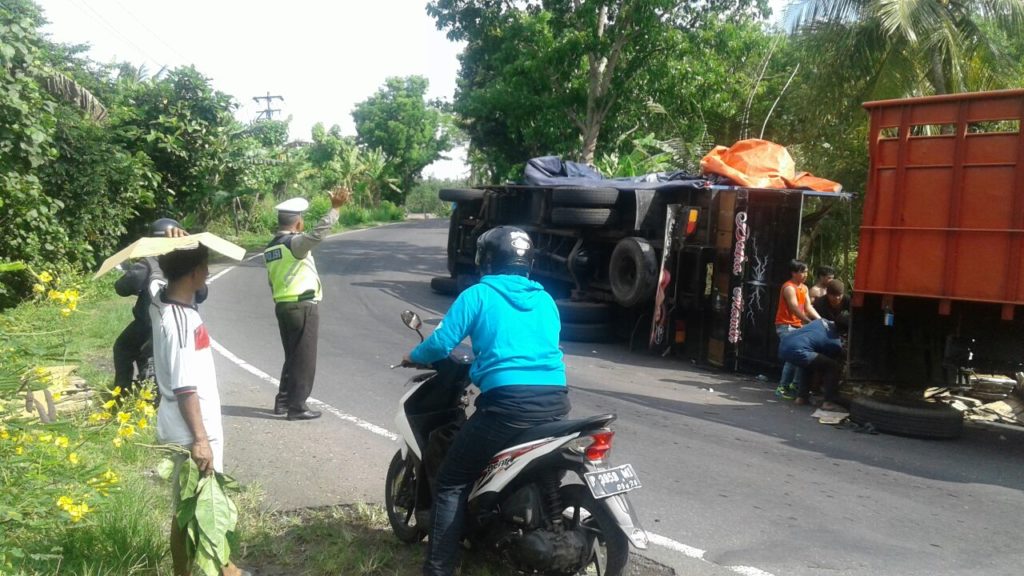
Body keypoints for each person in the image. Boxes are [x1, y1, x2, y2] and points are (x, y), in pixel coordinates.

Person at [402, 226, 570, 576]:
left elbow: (440, 344)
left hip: (507, 405)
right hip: (555, 401)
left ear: (486, 259)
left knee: (451, 481)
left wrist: (414, 355)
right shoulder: (545, 299)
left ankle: (437, 569)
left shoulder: (478, 294)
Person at [149, 245, 248, 576]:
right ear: (193, 273)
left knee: (197, 504)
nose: (208, 273)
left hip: (191, 425)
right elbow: (184, 388)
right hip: (191, 426)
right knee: (199, 507)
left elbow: (159, 279)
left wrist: (175, 242)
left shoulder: (164, 302)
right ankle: (218, 571)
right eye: (205, 267)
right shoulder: (179, 321)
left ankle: (219, 568)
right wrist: (200, 439)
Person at [264, 189, 350, 420]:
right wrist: (335, 208)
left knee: (293, 356)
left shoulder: (271, 247)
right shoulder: (295, 243)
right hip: (302, 306)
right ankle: (297, 407)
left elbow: (272, 281)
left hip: (283, 306)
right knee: (304, 358)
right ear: (298, 222)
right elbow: (318, 234)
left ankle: (282, 401)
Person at [113, 218, 205, 394]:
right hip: (186, 324)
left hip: (149, 323)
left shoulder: (149, 263)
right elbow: (202, 295)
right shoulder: (188, 264)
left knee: (122, 347)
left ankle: (120, 394)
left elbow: (122, 288)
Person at [778, 313, 848, 411]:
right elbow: (829, 362)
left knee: (809, 363)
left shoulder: (820, 321)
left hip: (784, 345)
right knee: (832, 366)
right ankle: (828, 402)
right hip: (798, 350)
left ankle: (801, 398)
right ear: (844, 331)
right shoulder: (833, 342)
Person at [774, 259, 820, 399]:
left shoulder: (804, 288)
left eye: (806, 271)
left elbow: (808, 307)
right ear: (794, 273)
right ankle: (782, 387)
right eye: (802, 271)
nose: (805, 274)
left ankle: (795, 384)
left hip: (798, 326)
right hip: (785, 325)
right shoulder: (789, 287)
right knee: (793, 356)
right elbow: (794, 307)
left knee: (801, 354)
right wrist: (807, 320)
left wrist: (820, 320)